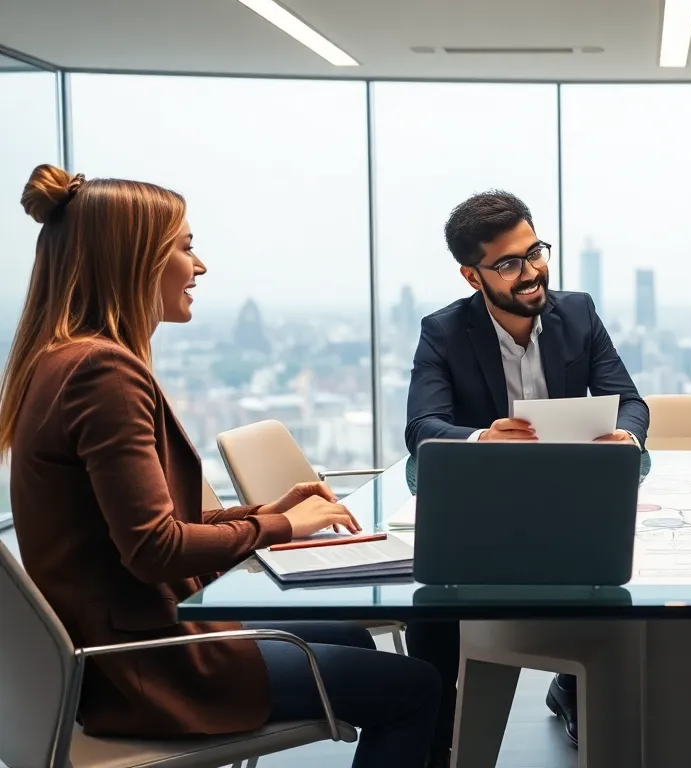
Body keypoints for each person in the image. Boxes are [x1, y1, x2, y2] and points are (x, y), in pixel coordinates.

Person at [1, 165, 443, 768]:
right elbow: (154, 549)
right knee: (415, 690)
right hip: (147, 664)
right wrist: (283, 528)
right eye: (185, 247)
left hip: (114, 646)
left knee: (351, 638)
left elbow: (135, 527)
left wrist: (266, 512)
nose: (200, 266)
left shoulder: (58, 361)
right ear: (134, 260)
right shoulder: (103, 373)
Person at [404, 189, 650, 753]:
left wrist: (626, 433)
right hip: (483, 514)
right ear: (473, 276)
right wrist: (482, 438)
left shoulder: (579, 312)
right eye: (508, 263)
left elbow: (630, 401)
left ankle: (577, 684)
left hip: (575, 503)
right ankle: (435, 739)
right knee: (435, 604)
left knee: (618, 570)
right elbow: (422, 429)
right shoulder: (443, 332)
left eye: (534, 250)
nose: (532, 271)